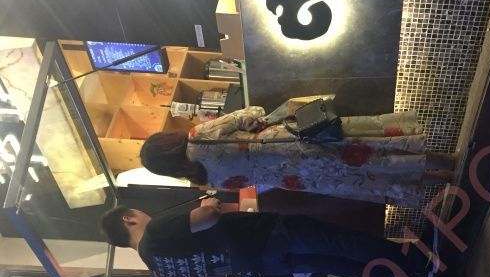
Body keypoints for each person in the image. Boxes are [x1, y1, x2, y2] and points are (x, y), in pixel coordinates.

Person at [139, 104, 456, 208]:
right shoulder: (199, 136)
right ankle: (448, 161)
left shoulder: (206, 179)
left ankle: (442, 179)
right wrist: (256, 123)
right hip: (293, 143)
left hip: (299, 178)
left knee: (370, 175)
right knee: (372, 148)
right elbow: (250, 115)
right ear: (166, 141)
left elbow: (251, 181)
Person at [100, 196, 432, 277]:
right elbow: (208, 217)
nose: (143, 213)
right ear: (128, 220)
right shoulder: (156, 231)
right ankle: (419, 263)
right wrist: (208, 202)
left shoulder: (160, 272)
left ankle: (404, 275)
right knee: (340, 242)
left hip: (264, 264)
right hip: (265, 236)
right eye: (137, 212)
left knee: (337, 263)